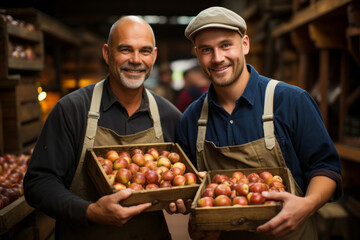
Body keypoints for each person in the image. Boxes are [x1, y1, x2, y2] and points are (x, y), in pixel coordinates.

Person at [175, 6, 343, 239]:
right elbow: (191, 189)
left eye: (226, 45)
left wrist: (308, 205)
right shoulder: (191, 119)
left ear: (245, 44)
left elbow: (326, 167)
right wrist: (196, 216)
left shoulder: (291, 101)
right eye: (206, 49)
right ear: (197, 54)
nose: (217, 58)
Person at [23, 16, 181, 240]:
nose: (136, 60)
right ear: (107, 53)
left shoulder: (170, 116)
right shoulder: (72, 110)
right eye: (125, 49)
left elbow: (186, 179)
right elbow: (38, 183)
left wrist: (179, 198)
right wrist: (89, 211)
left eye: (144, 51)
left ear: (153, 56)